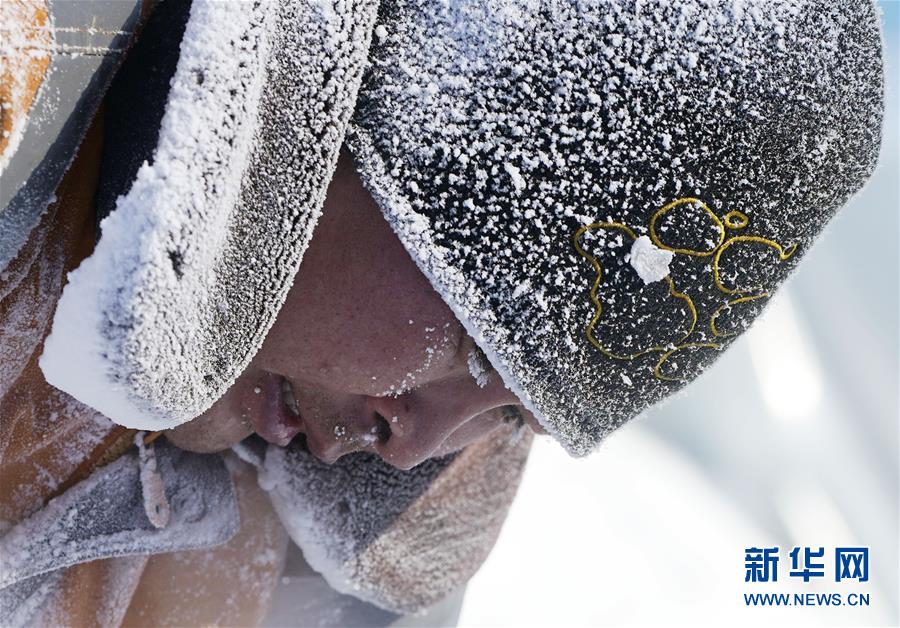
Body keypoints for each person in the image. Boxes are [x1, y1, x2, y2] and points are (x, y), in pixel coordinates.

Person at [0, 0, 883, 625]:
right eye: (474, 343)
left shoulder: (287, 575)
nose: (416, 448)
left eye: (506, 419)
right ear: (330, 120)